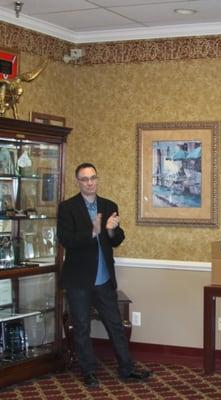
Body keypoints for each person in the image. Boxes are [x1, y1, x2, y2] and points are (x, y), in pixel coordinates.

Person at [58, 163, 151, 388]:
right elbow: (66, 240)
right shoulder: (68, 207)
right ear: (77, 182)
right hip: (78, 280)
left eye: (93, 178)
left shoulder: (109, 205)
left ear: (97, 179)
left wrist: (110, 229)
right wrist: (95, 229)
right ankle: (89, 371)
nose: (89, 182)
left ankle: (127, 369)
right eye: (84, 179)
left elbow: (116, 239)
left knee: (115, 325)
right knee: (81, 327)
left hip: (104, 279)